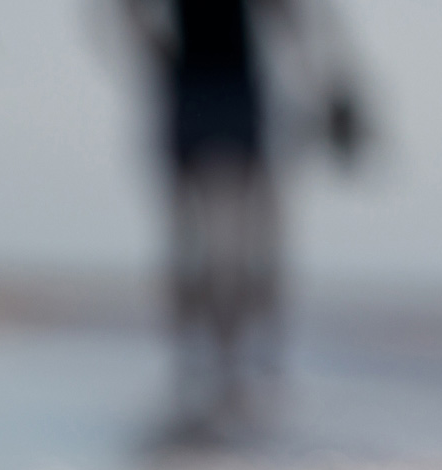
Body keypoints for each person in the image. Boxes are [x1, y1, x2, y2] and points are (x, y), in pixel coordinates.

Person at [120, 0, 369, 447]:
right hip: (211, 91)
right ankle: (216, 368)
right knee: (218, 240)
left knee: (221, 240)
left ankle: (220, 367)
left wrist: (328, 82)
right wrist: (328, 81)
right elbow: (296, 19)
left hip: (214, 90)